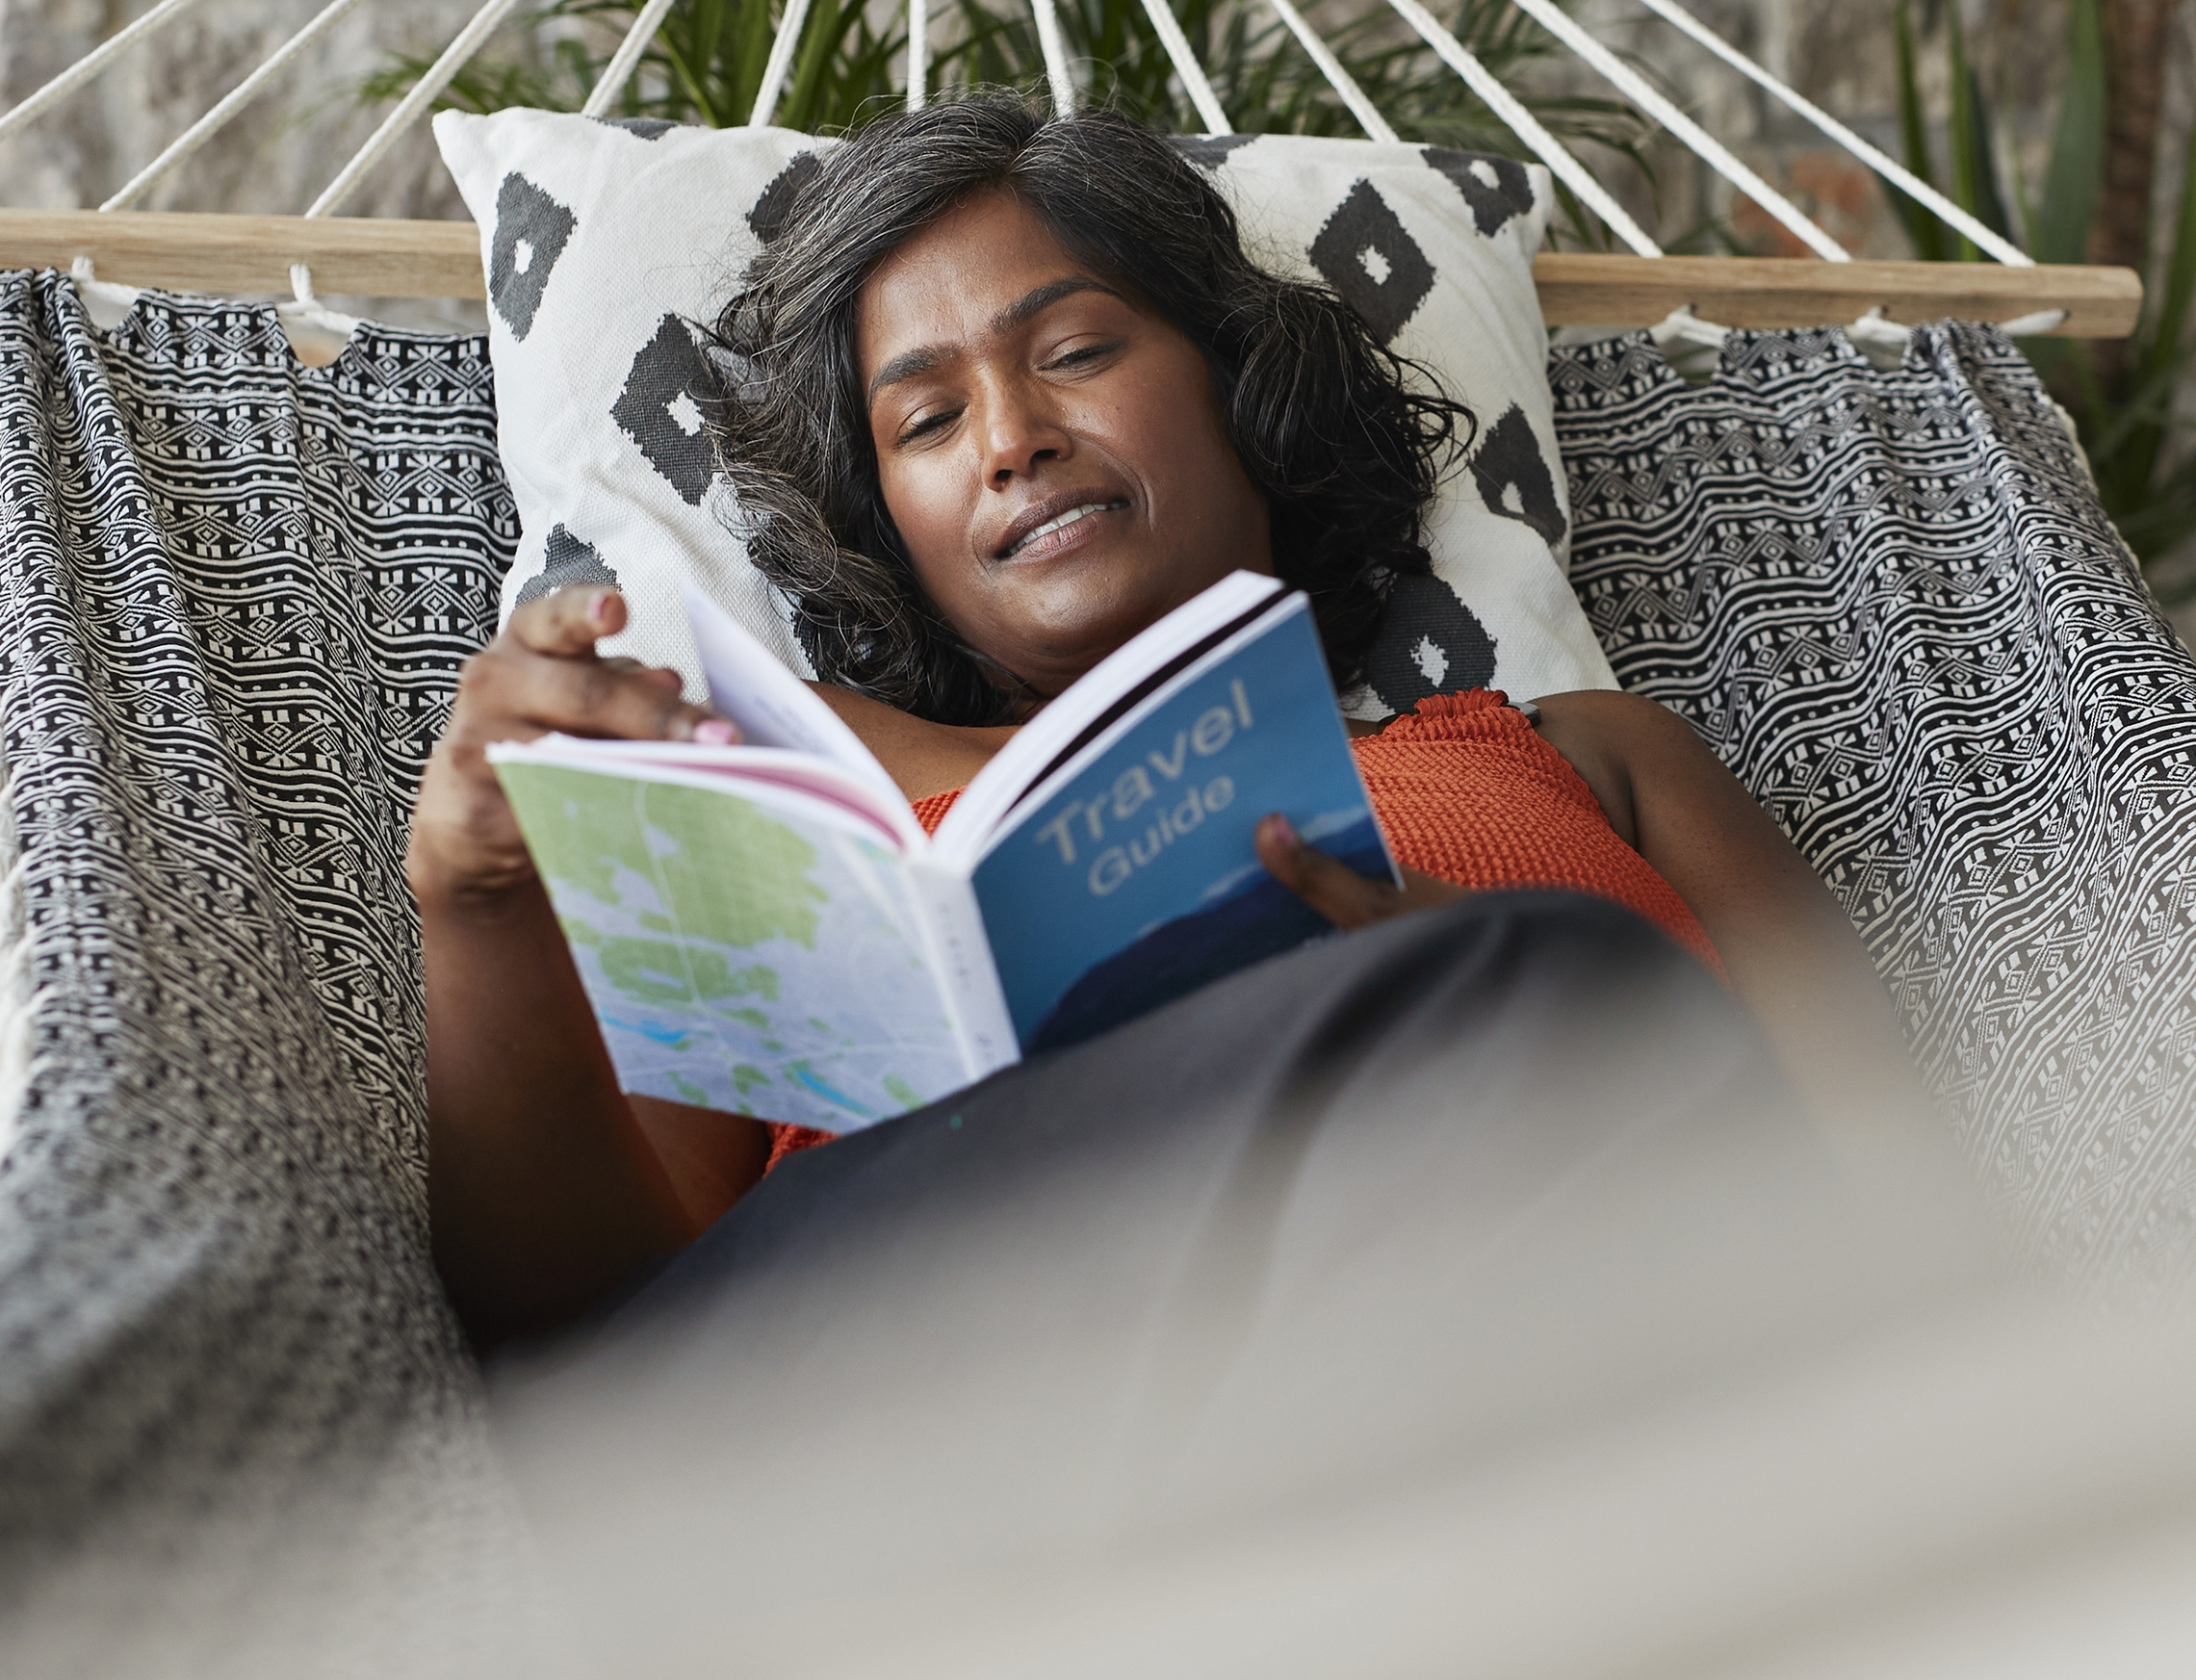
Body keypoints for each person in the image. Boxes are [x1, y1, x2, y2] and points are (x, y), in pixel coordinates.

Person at [411, 97, 1911, 1353]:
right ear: (897, 531)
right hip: (937, 1384)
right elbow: (583, 1328)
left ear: (1239, 390)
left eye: (1073, 351)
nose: (1012, 439)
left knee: (1547, 976)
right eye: (926, 423)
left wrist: (1465, 1023)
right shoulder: (790, 779)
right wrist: (478, 917)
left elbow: (1911, 1220)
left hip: (1528, 1337)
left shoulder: (1592, 755)